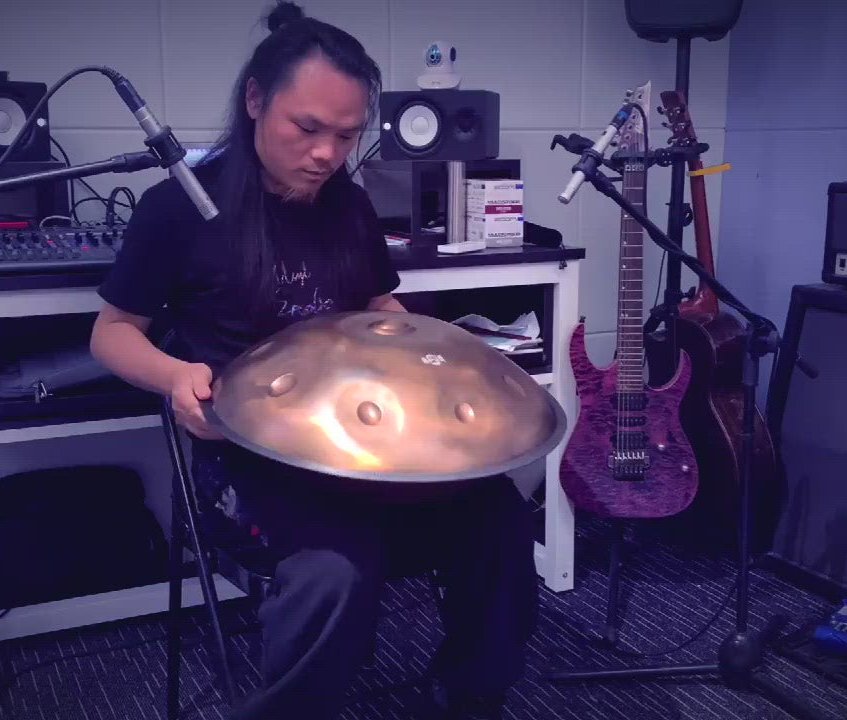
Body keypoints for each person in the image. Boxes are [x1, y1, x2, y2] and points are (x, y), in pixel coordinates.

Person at [90, 3, 537, 718]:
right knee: (335, 570)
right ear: (255, 100)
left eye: (347, 135)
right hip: (247, 463)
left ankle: (469, 692)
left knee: (498, 515)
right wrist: (176, 377)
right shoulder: (177, 209)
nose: (327, 153)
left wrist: (440, 353)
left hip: (366, 450)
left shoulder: (347, 205)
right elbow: (111, 332)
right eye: (307, 128)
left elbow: (378, 306)